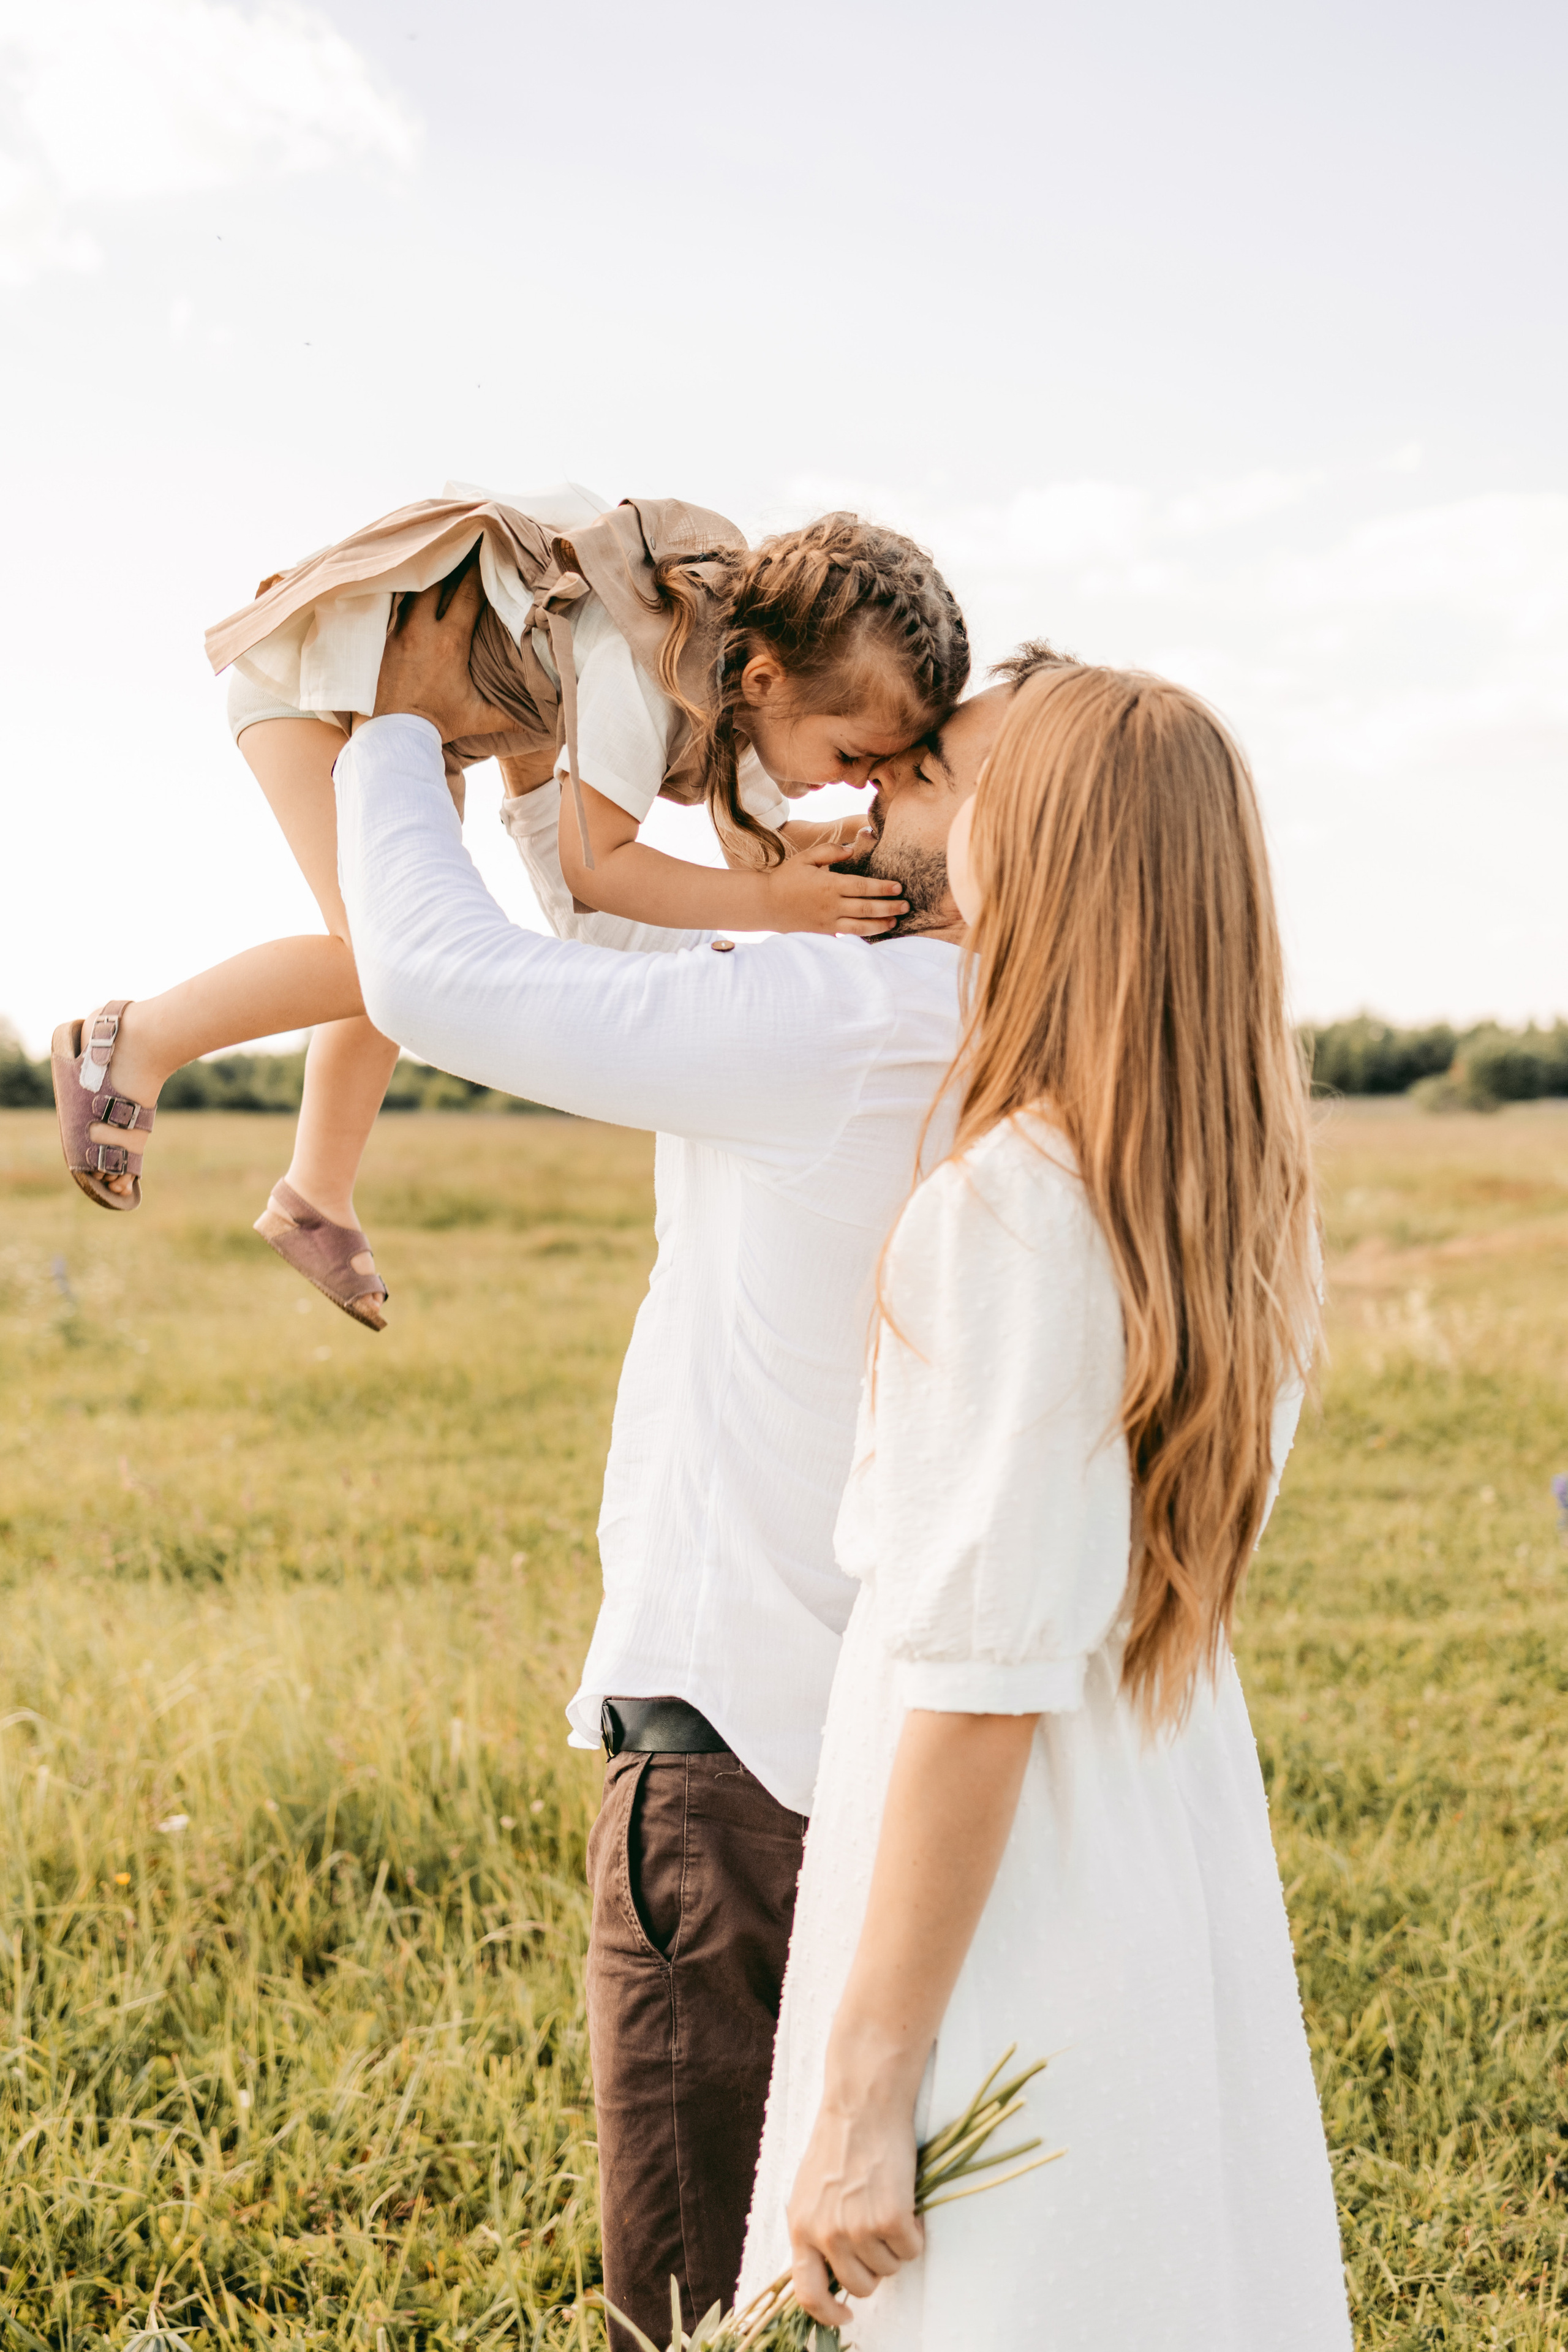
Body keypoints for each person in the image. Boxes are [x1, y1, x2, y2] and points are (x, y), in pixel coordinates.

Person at [320, 568, 1066, 2345]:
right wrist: (556, 776)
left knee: (691, 2312)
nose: (858, 794)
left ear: (1009, 846)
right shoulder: (1006, 1033)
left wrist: (394, 723)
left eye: (915, 772)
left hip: (739, 1766)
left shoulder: (843, 1022)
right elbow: (617, 955)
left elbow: (437, 978)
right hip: (929, 1772)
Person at [738, 663, 1351, 2348]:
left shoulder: (1013, 1209)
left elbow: (977, 1693)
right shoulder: (1234, 1198)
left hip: (1016, 1897)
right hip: (1159, 1837)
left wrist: (865, 2090)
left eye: (977, 794)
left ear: (1047, 856)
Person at [51, 488, 966, 1328]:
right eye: (853, 756)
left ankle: (315, 1196)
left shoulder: (743, 688)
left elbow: (757, 846)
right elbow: (596, 865)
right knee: (382, 951)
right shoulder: (656, 658)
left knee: (389, 944)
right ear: (767, 681)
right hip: (314, 685)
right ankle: (132, 1042)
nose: (860, 782)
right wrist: (774, 900)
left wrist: (856, 854)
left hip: (415, 712)